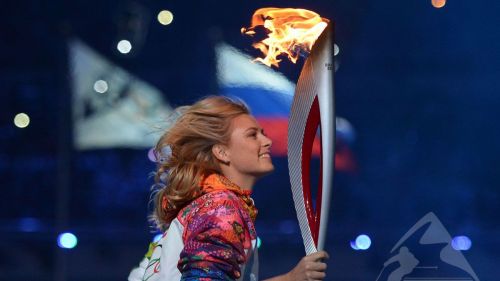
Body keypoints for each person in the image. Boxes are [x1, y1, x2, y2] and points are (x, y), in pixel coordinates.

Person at [129, 96, 329, 281]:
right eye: (252, 135)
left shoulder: (208, 205)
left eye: (263, 134)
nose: (267, 141)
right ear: (222, 152)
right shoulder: (221, 209)